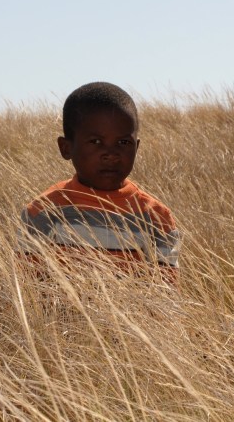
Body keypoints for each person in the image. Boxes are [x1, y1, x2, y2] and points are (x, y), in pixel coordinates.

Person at [19, 81, 180, 285]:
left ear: (136, 148)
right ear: (66, 148)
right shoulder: (42, 213)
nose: (111, 154)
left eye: (123, 142)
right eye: (95, 142)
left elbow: (166, 295)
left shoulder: (156, 218)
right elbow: (27, 290)